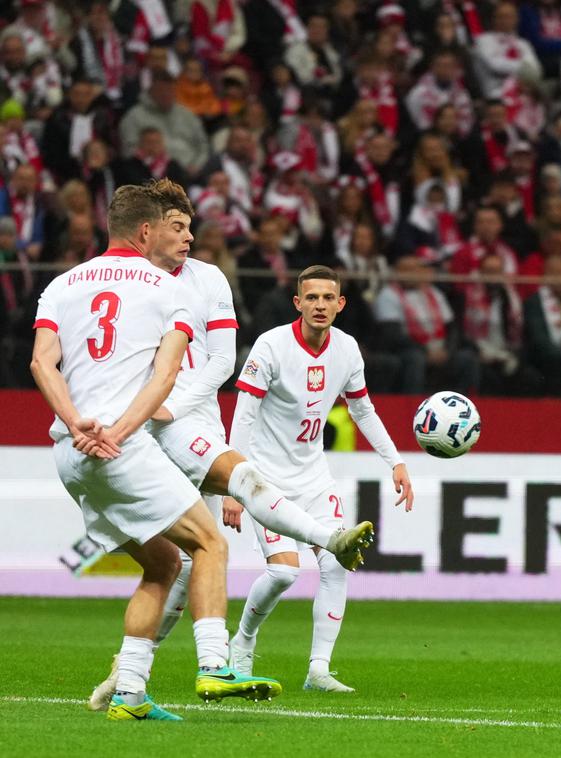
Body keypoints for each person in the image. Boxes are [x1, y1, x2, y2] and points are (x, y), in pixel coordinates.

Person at [87, 181, 377, 710]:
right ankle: (129, 674)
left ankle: (324, 544)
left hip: (185, 417)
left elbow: (221, 361)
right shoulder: (123, 283)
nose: (191, 237)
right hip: (129, 427)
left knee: (231, 496)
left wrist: (172, 406)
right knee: (183, 562)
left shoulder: (209, 280)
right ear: (146, 230)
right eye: (179, 227)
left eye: (191, 227)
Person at [30, 183, 281, 721]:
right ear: (147, 231)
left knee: (164, 563)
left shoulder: (62, 285)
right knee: (210, 543)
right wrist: (117, 431)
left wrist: (78, 424)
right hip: (121, 448)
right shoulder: (169, 289)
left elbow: (40, 363)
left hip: (70, 453)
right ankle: (216, 667)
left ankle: (130, 696)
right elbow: (168, 374)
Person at [225, 265, 416, 693]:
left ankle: (318, 670)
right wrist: (233, 483)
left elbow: (362, 409)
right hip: (263, 481)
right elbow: (244, 413)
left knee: (336, 563)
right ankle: (243, 643)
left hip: (314, 479)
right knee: (284, 575)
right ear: (298, 303)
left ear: (341, 304)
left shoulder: (347, 349)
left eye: (328, 298)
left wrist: (395, 462)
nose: (320, 305)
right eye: (311, 298)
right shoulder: (271, 345)